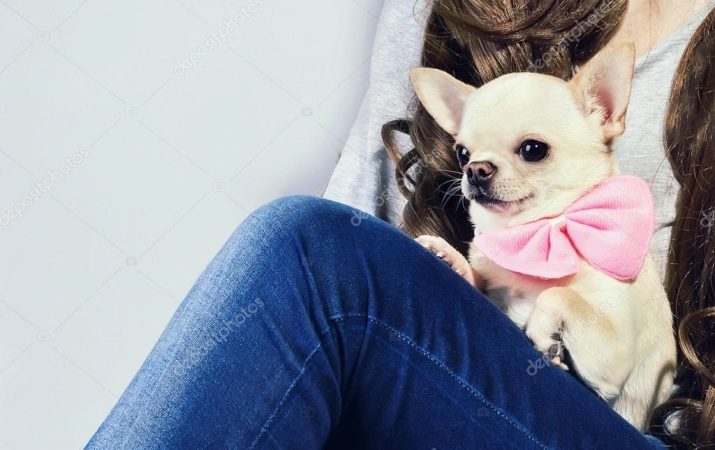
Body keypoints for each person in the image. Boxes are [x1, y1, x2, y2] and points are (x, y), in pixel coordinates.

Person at [88, 0, 715, 448]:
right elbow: (347, 252)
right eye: (467, 156)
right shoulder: (463, 9)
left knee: (306, 246)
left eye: (531, 150)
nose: (478, 171)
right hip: (478, 394)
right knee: (309, 248)